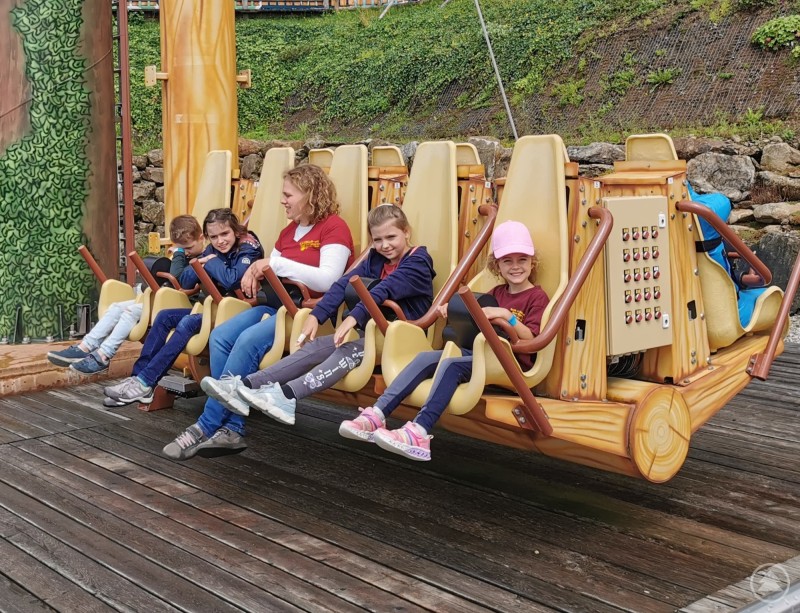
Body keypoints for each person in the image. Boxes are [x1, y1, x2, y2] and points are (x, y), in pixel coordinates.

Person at [171, 204, 434, 460]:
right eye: (378, 240)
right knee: (316, 346)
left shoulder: (419, 261)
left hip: (403, 342)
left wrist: (352, 318)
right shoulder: (376, 259)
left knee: (346, 351)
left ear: (407, 232)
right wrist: (317, 316)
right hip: (375, 336)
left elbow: (383, 290)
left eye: (391, 237)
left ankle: (287, 395)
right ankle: (243, 386)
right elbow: (343, 284)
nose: (384, 245)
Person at [161, 164, 354, 460]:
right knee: (222, 336)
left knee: (247, 341)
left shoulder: (334, 227)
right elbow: (264, 267)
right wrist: (255, 271)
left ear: (309, 194)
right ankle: (233, 429)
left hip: (307, 315)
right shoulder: (288, 232)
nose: (283, 200)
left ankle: (205, 425)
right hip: (273, 305)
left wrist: (273, 266)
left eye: (288, 194)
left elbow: (329, 279)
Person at [339, 220, 548, 461]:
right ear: (497, 265)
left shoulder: (536, 296)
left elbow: (531, 338)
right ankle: (376, 415)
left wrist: (506, 316)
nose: (515, 267)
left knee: (452, 364)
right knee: (426, 358)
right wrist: (455, 310)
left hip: (509, 362)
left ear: (533, 262)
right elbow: (473, 320)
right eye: (507, 261)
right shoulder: (495, 294)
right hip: (480, 356)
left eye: (522, 260)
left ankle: (419, 431)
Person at [103, 208, 263, 406]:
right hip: (213, 309)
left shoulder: (248, 247)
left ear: (236, 231)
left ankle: (145, 382)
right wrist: (200, 262)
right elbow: (185, 281)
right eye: (214, 236)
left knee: (188, 322)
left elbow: (232, 280)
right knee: (163, 316)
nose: (220, 240)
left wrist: (209, 263)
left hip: (238, 313)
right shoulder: (212, 250)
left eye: (225, 234)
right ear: (207, 237)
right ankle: (138, 381)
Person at [47, 215, 205, 375]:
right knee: (116, 307)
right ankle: (85, 346)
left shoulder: (201, 259)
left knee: (132, 311)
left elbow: (178, 277)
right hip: (164, 301)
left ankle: (104, 355)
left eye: (189, 248)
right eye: (181, 248)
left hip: (181, 307)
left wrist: (178, 253)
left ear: (202, 238)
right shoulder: (187, 256)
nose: (185, 252)